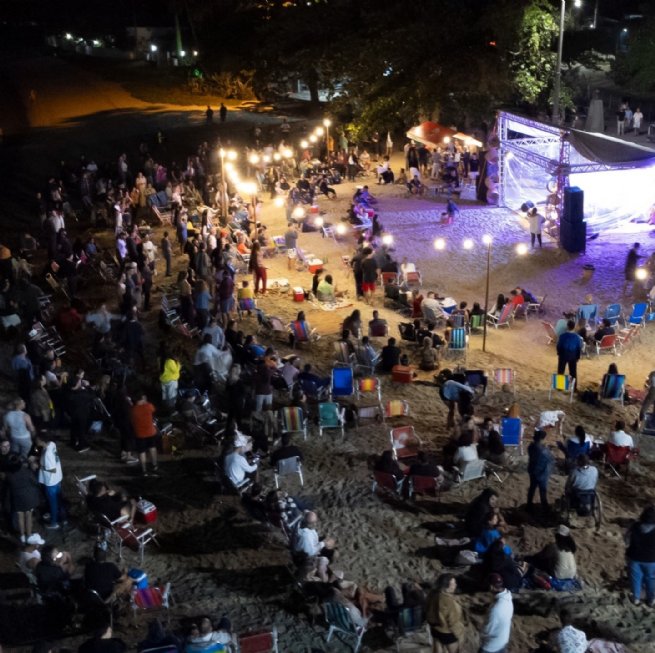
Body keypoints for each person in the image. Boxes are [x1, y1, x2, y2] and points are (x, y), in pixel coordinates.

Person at [425, 574, 466, 653]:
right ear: (447, 585)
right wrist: (460, 635)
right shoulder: (448, 601)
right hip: (447, 633)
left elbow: (426, 609)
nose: (455, 585)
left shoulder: (432, 594)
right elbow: (453, 622)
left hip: (435, 629)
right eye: (453, 583)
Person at [292, 510, 336, 582]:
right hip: (305, 559)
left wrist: (323, 541)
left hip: (311, 549)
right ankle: (324, 580)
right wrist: (323, 543)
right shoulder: (305, 536)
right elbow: (310, 552)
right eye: (313, 523)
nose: (315, 524)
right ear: (308, 523)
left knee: (333, 551)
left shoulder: (303, 524)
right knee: (326, 561)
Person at [6, 454, 41, 543]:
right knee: (28, 516)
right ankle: (28, 535)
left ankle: (22, 536)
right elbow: (35, 482)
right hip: (29, 497)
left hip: (17, 499)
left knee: (20, 517)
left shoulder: (9, 476)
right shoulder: (26, 471)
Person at [625, 504, 655, 606]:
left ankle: (636, 599)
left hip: (634, 557)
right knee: (650, 578)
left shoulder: (635, 526)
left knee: (635, 579)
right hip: (651, 559)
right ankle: (651, 600)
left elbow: (626, 540)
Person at [478, 574, 513, 653]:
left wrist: (481, 632)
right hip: (503, 641)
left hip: (491, 647)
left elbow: (487, 631)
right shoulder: (508, 596)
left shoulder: (496, 609)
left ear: (491, 587)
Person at [36, 432, 64, 530]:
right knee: (58, 499)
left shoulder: (48, 453)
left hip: (51, 481)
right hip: (57, 478)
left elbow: (52, 469)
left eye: (37, 439)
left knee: (53, 502)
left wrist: (40, 466)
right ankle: (60, 516)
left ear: (42, 440)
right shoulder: (52, 444)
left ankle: (54, 523)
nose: (36, 441)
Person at [130, 394, 159, 476]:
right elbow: (153, 409)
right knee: (152, 448)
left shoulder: (133, 410)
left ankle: (144, 470)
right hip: (150, 432)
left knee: (141, 452)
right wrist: (145, 402)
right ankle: (154, 465)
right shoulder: (148, 406)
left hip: (139, 434)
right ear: (142, 399)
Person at [527, 430, 554, 513]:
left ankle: (529, 505)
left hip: (532, 470)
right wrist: (548, 449)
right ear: (542, 439)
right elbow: (550, 458)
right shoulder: (544, 450)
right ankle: (545, 507)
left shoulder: (531, 446)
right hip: (542, 472)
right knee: (542, 490)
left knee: (532, 488)